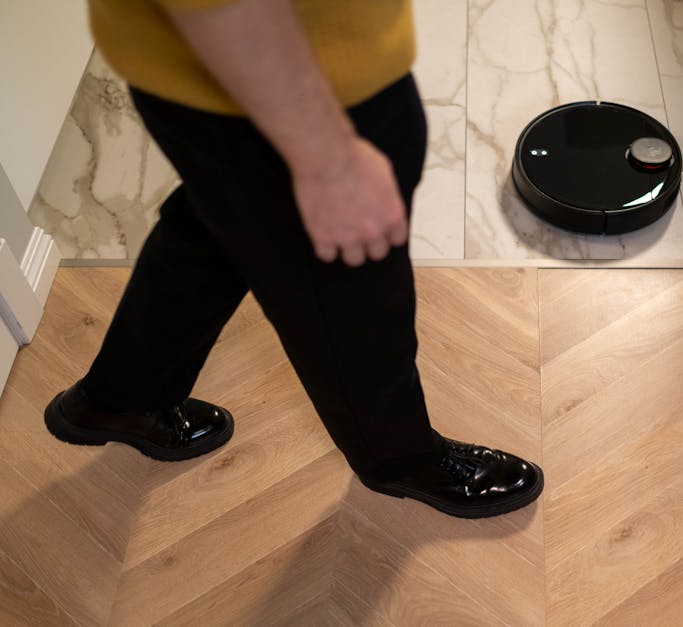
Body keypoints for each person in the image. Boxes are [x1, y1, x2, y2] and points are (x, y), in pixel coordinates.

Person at [43, 0, 542, 519]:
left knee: (219, 227)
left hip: (222, 76)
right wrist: (328, 160)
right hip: (285, 88)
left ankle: (122, 397)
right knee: (351, 287)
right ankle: (398, 456)